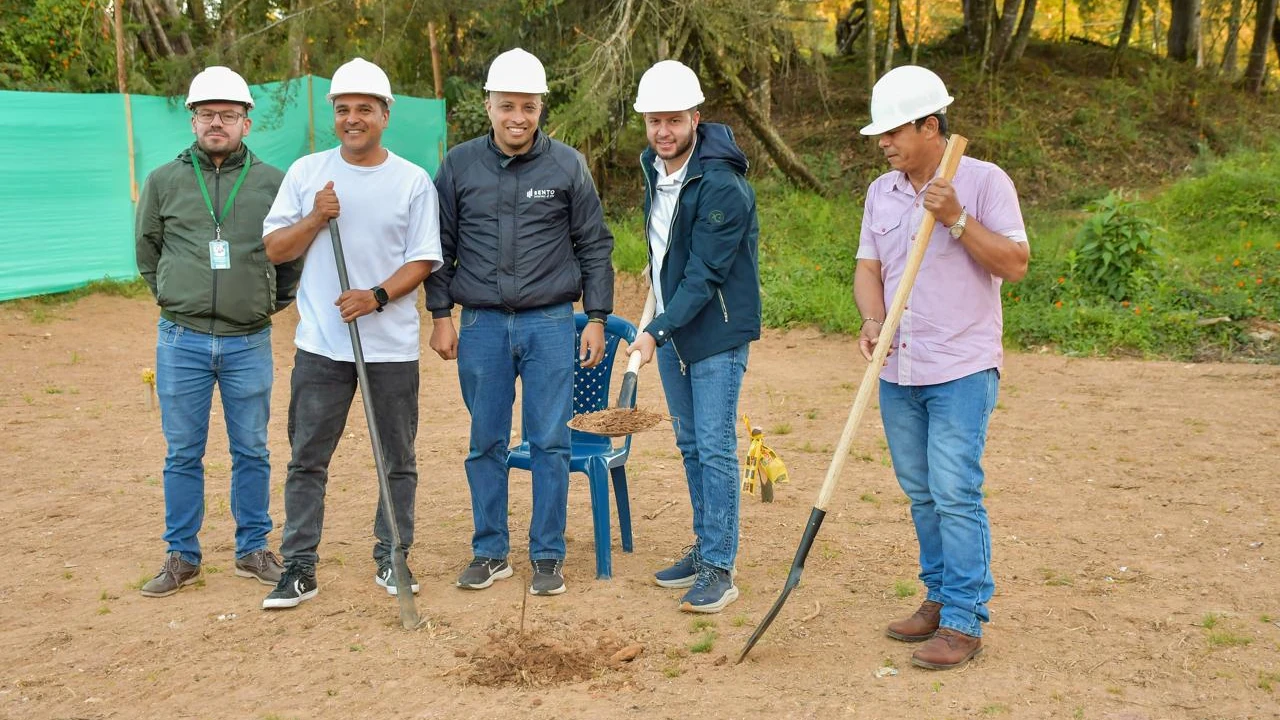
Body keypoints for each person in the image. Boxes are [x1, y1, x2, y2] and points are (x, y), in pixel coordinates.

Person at [853, 65, 1029, 669]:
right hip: (899, 368)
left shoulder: (983, 182)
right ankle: (937, 594)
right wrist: (873, 320)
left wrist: (956, 217)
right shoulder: (882, 191)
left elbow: (1015, 263)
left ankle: (963, 619)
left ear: (931, 125)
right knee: (921, 492)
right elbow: (869, 269)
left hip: (961, 365)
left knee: (955, 491)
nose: (883, 144)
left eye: (893, 132)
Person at [427, 48, 614, 597]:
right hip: (482, 325)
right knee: (485, 440)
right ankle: (489, 552)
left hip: (551, 324)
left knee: (549, 441)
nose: (517, 117)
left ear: (540, 108)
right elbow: (439, 246)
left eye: (528, 107)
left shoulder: (567, 166)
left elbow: (594, 245)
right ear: (487, 105)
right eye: (506, 105)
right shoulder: (459, 165)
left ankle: (548, 556)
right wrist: (441, 316)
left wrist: (596, 316)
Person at [259, 58, 442, 609]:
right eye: (344, 110)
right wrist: (315, 218)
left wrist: (375, 297)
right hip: (321, 347)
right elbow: (275, 249)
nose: (353, 118)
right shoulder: (307, 173)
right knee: (307, 458)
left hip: (389, 348)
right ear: (333, 116)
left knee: (397, 458)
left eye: (365, 109)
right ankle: (298, 567)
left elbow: (423, 260)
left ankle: (393, 556)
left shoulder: (412, 181)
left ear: (385, 115)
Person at [135, 66, 299, 598]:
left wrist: (264, 302)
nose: (217, 123)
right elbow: (147, 250)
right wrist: (170, 292)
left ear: (246, 122)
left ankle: (253, 547)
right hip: (180, 339)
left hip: (248, 339)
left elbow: (290, 255)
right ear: (193, 119)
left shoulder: (274, 182)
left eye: (228, 115)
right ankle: (182, 555)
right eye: (207, 114)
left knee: (251, 448)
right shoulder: (163, 180)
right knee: (183, 451)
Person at [626, 60, 761, 614]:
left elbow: (704, 274)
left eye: (674, 120)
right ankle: (706, 546)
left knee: (713, 447)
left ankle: (719, 568)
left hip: (715, 332)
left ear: (696, 119)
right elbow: (664, 254)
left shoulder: (723, 185)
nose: (663, 131)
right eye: (655, 121)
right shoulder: (653, 169)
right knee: (689, 446)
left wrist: (654, 331)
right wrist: (655, 314)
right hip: (674, 325)